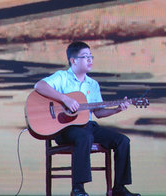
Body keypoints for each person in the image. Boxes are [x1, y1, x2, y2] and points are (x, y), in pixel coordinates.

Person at [34, 41, 140, 196]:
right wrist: (65, 99)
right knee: (85, 137)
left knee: (122, 140)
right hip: (65, 129)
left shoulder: (93, 84)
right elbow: (39, 86)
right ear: (73, 60)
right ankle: (78, 188)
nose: (90, 60)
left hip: (88, 125)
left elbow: (98, 112)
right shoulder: (62, 77)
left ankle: (119, 188)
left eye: (91, 56)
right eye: (85, 56)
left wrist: (117, 109)